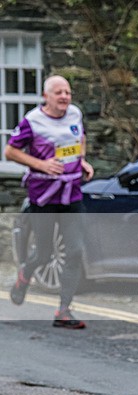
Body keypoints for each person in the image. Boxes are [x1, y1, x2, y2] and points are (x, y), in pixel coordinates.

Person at [7, 75, 94, 329]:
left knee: (74, 251)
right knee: (44, 253)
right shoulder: (33, 122)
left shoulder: (75, 114)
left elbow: (80, 140)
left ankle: (64, 311)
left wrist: (82, 161)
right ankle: (25, 275)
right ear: (46, 97)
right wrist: (41, 164)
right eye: (58, 92)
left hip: (72, 193)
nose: (65, 97)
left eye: (67, 92)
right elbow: (10, 151)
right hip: (43, 195)